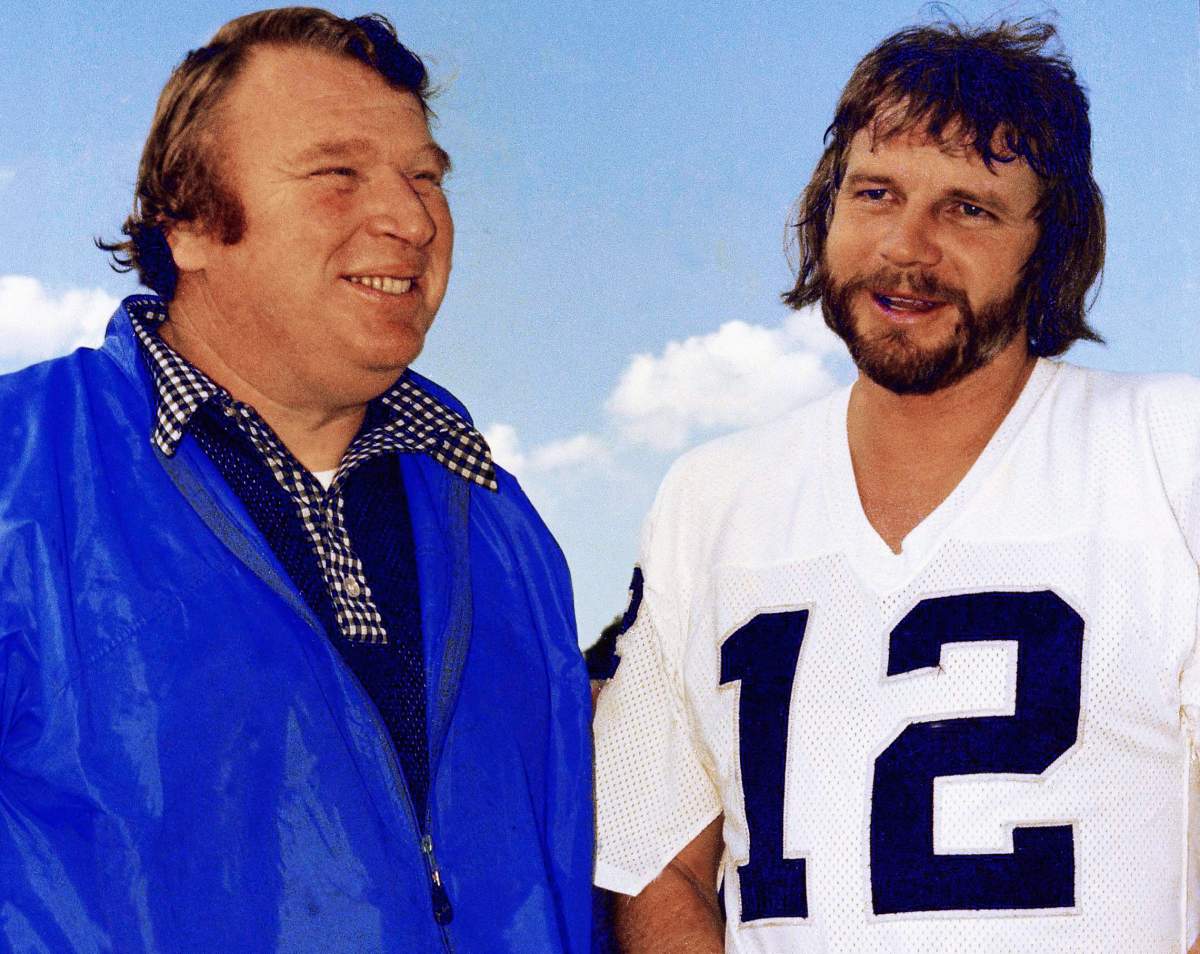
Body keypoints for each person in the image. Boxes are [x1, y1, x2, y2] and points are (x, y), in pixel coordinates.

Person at [592, 18, 1200, 953]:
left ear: (1051, 243)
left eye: (970, 209)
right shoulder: (709, 499)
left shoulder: (1169, 450)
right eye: (876, 193)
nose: (907, 246)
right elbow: (657, 862)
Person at [0, 9, 592, 952]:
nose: (412, 220)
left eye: (426, 177)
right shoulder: (21, 473)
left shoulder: (500, 523)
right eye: (337, 174)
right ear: (190, 224)